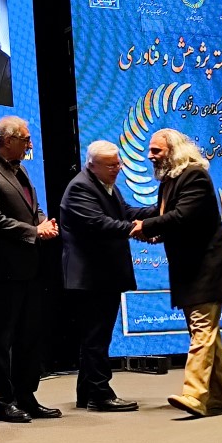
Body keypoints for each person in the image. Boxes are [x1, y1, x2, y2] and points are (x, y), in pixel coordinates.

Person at [132, 128, 222, 418]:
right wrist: (131, 218)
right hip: (189, 269)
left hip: (205, 268)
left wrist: (147, 228)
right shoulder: (171, 180)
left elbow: (183, 216)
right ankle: (220, 396)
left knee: (202, 329)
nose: (150, 156)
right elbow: (163, 214)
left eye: (156, 151)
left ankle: (193, 395)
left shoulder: (194, 176)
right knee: (206, 332)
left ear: (174, 151)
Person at [0, 115, 61, 422]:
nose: (30, 145)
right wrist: (34, 231)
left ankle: (27, 395)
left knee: (29, 336)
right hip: (4, 268)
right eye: (26, 140)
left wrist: (44, 223)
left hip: (31, 266)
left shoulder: (20, 168)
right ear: (8, 140)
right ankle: (4, 400)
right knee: (3, 338)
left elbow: (34, 208)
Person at [59, 140, 155, 413]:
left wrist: (157, 212)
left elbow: (126, 212)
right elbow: (99, 223)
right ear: (92, 165)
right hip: (91, 277)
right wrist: (138, 229)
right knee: (96, 338)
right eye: (111, 165)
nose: (117, 169)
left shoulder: (105, 185)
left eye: (118, 163)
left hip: (102, 275)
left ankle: (86, 392)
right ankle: (101, 394)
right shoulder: (81, 187)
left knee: (96, 336)